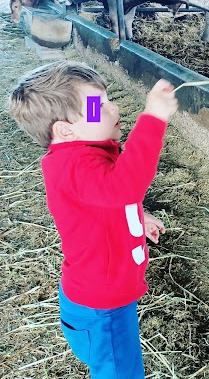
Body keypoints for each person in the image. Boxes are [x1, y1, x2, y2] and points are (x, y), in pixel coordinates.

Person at [9, 60, 178, 378]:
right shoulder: (75, 165)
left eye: (107, 100)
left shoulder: (81, 158)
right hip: (103, 307)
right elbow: (122, 188)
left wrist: (137, 217)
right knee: (119, 371)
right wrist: (153, 119)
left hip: (104, 295)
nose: (112, 109)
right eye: (97, 106)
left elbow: (104, 201)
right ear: (64, 129)